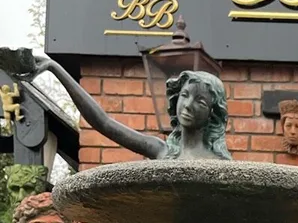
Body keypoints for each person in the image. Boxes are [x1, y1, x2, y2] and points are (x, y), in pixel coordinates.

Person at [28, 55, 230, 162]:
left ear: (213, 114)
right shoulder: (163, 151)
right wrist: (54, 68)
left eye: (200, 102)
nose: (188, 105)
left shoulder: (218, 162)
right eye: (184, 95)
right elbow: (103, 122)